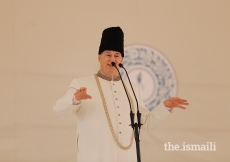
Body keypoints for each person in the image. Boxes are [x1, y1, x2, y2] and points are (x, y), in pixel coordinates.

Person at [53, 27, 189, 162]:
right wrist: (76, 99)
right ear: (99, 57)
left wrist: (165, 107)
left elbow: (146, 123)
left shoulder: (133, 89)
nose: (112, 59)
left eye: (117, 55)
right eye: (108, 55)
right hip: (94, 156)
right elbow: (58, 110)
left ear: (121, 60)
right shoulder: (81, 83)